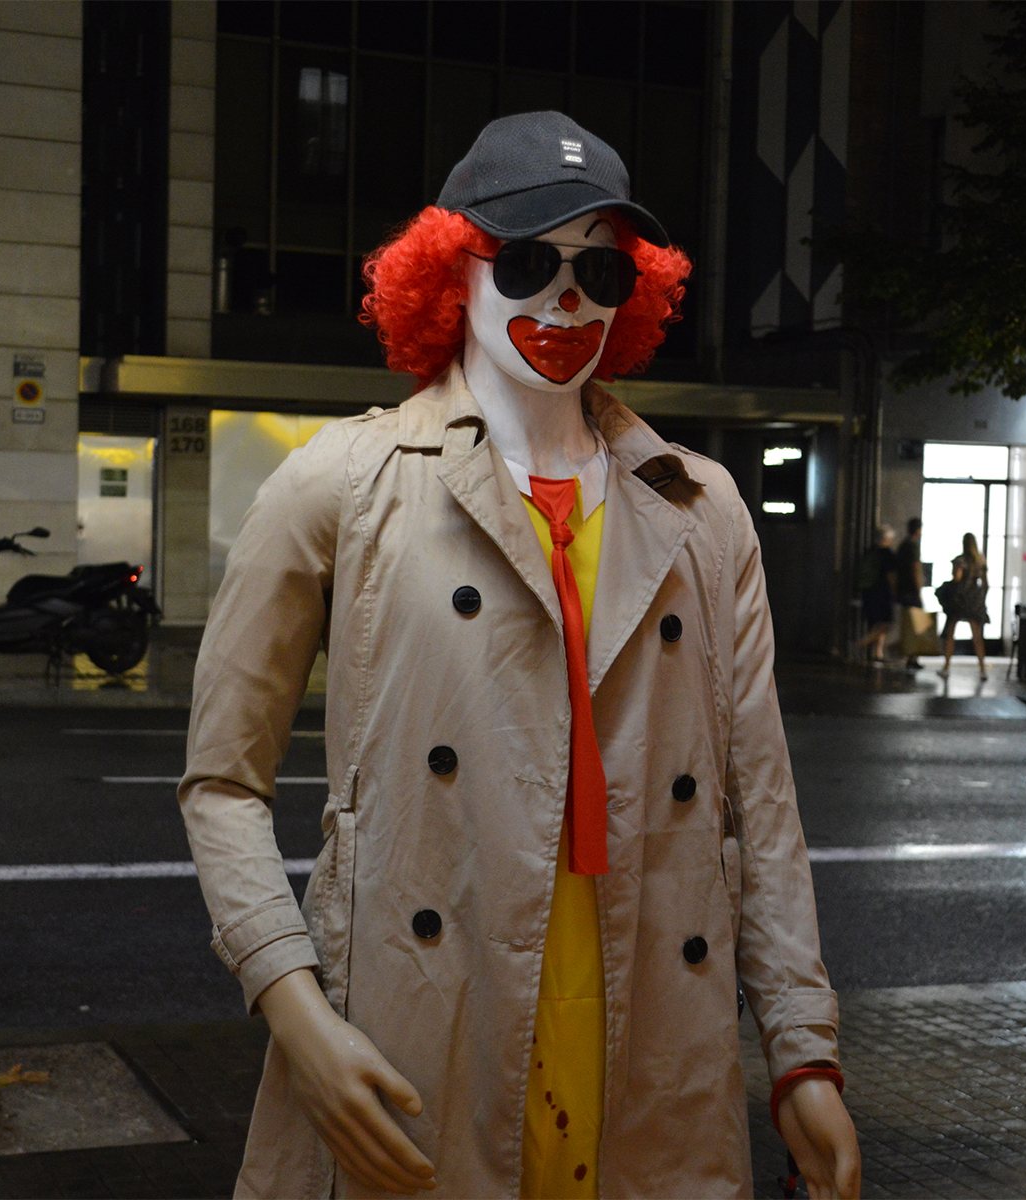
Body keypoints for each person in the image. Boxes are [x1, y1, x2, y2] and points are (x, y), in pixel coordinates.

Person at [179, 112, 859, 1200]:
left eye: (601, 268)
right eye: (529, 262)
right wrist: (297, 1010)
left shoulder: (702, 507)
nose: (567, 298)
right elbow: (222, 783)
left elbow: (760, 808)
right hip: (422, 1020)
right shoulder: (339, 484)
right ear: (452, 270)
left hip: (654, 1033)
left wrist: (801, 1052)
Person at [938, 532, 990, 680]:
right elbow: (986, 584)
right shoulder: (980, 561)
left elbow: (957, 578)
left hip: (959, 600)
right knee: (977, 636)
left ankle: (946, 666)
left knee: (950, 633)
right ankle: (982, 669)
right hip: (974, 600)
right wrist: (981, 599)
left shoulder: (960, 560)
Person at [853, 525, 898, 664]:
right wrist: (896, 589)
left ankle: (877, 653)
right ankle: (858, 645)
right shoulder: (887, 554)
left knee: (876, 625)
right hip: (882, 593)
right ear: (887, 538)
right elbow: (891, 576)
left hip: (868, 592)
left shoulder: (870, 552)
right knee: (886, 624)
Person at [895, 518, 926, 668]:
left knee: (907, 623)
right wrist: (918, 589)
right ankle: (912, 656)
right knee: (915, 624)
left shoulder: (903, 545)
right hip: (911, 591)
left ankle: (908, 655)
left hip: (902, 589)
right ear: (918, 530)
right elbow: (915, 569)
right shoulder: (913, 546)